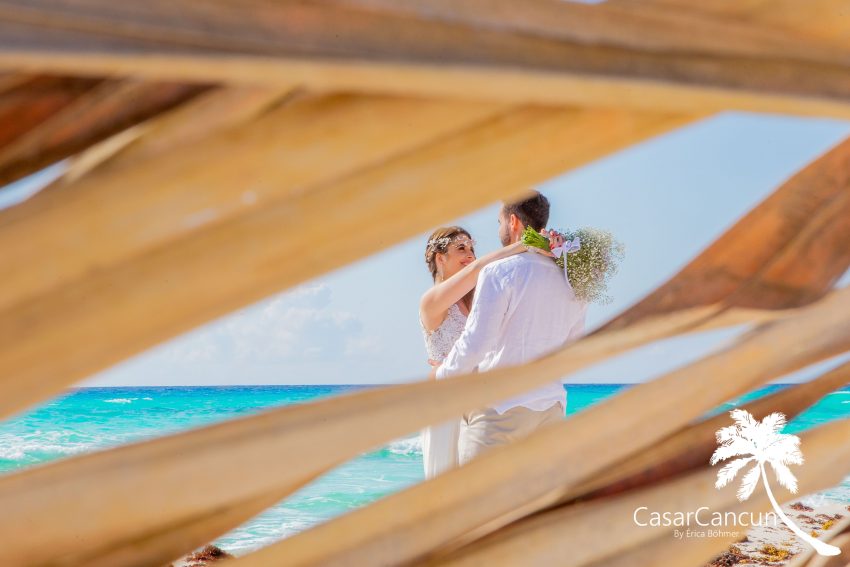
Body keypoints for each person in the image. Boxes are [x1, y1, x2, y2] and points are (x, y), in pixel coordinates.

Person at [435, 191, 587, 465]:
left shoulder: (500, 272)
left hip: (500, 411)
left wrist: (444, 376)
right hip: (550, 408)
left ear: (513, 222)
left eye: (499, 221)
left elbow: (477, 343)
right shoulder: (573, 279)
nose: (499, 228)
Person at [419, 226, 529, 478]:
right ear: (440, 258)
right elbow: (479, 269)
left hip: (482, 400)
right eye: (461, 248)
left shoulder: (479, 300)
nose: (470, 254)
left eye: (471, 248)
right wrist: (524, 245)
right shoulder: (430, 301)